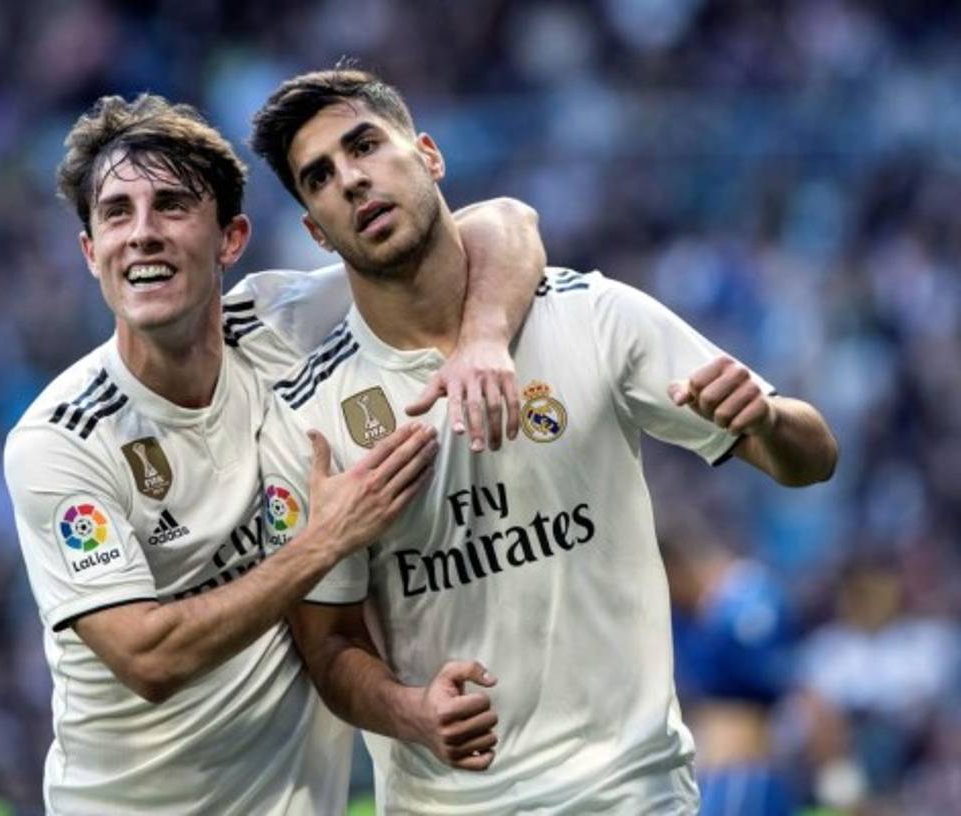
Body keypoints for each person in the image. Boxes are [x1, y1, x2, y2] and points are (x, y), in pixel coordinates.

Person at [250, 67, 839, 814]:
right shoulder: (313, 413)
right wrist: (410, 712)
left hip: (635, 794)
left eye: (365, 145)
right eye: (320, 178)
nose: (352, 181)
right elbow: (328, 645)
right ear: (314, 228)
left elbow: (812, 459)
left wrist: (766, 418)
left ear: (428, 155)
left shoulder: (593, 316)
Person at [3, 93, 545, 814]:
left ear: (231, 240)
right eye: (116, 215)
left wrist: (481, 338)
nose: (141, 234)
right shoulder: (63, 439)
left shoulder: (283, 324)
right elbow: (149, 657)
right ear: (89, 251)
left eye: (170, 206)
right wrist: (322, 543)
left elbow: (500, 223)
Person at [662, 526, 797, 815]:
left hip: (744, 768)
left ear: (676, 570)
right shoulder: (681, 616)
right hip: (702, 767)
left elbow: (768, 680)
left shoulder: (750, 591)